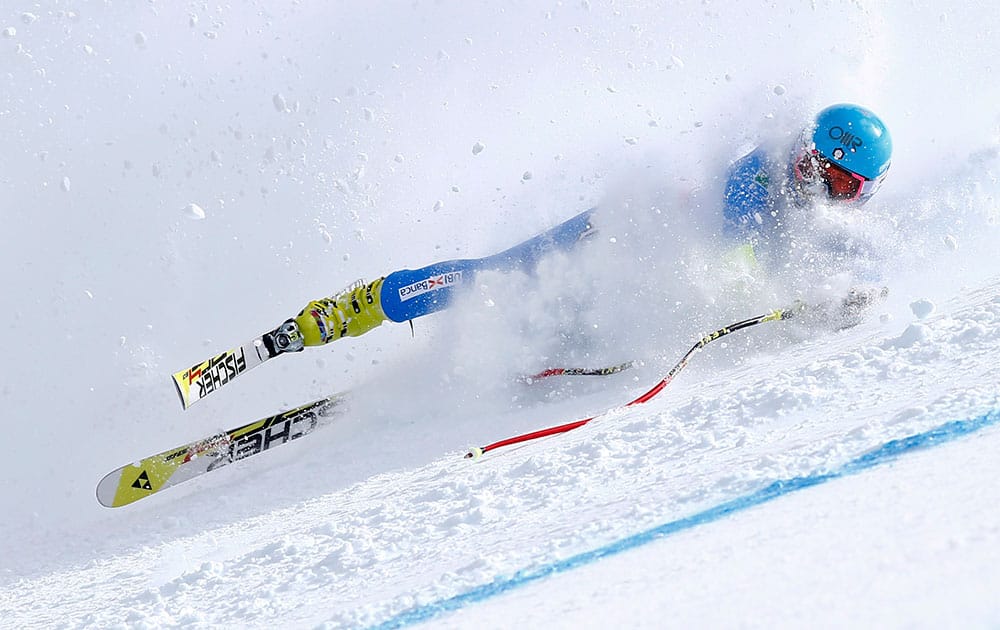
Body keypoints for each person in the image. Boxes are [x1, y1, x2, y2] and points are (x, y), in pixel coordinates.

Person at [266, 103, 893, 356]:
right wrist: (795, 304)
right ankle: (354, 308)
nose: (817, 186)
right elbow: (733, 259)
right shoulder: (760, 177)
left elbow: (837, 263)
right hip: (613, 237)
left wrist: (846, 297)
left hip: (637, 279)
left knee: (562, 324)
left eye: (839, 186)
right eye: (814, 166)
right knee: (497, 280)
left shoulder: (810, 212)